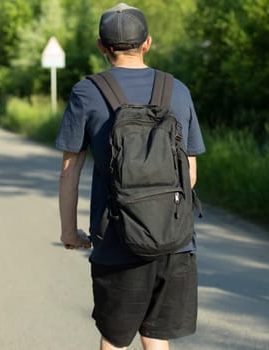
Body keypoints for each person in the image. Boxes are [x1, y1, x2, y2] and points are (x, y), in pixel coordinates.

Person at [56, 3, 205, 350]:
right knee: (156, 336)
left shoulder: (87, 92)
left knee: (115, 339)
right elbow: (190, 174)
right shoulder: (177, 90)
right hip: (174, 241)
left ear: (101, 46)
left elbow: (69, 172)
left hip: (117, 241)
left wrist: (68, 231)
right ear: (147, 43)